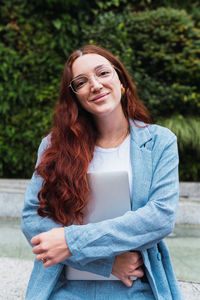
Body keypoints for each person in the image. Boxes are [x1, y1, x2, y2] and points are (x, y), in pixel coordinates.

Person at [22, 44, 183, 300]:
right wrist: (104, 263)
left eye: (103, 73)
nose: (95, 85)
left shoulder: (160, 142)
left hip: (138, 286)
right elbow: (33, 219)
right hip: (64, 288)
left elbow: (160, 217)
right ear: (74, 96)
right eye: (82, 82)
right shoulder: (54, 146)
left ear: (121, 80)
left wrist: (72, 242)